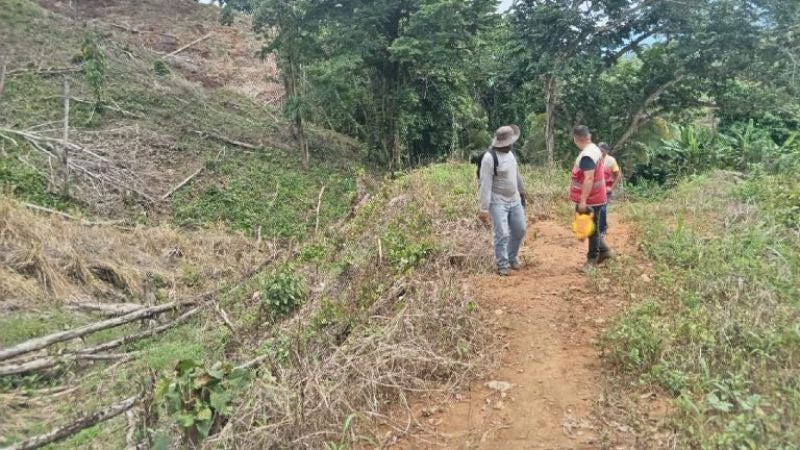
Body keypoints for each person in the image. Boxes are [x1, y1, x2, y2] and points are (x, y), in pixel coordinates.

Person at [477, 125, 527, 276]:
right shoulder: (489, 158)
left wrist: (522, 191)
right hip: (498, 201)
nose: (512, 144)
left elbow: (516, 174)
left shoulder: (511, 155)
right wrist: (484, 209)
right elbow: (485, 184)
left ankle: (512, 257)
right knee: (502, 233)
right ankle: (502, 264)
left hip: (514, 199)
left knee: (520, 229)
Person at [570, 125, 612, 269]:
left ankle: (592, 259)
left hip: (591, 199)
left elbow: (588, 179)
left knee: (590, 229)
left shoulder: (587, 156)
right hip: (598, 196)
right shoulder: (594, 149)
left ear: (576, 139)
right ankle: (604, 251)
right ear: (589, 136)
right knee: (592, 228)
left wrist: (583, 201)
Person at [597, 142, 622, 237]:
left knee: (602, 209)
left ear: (606, 151)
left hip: (606, 189)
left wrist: (611, 188)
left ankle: (602, 229)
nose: (599, 152)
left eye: (601, 150)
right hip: (596, 189)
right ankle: (601, 226)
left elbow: (618, 175)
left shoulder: (611, 161)